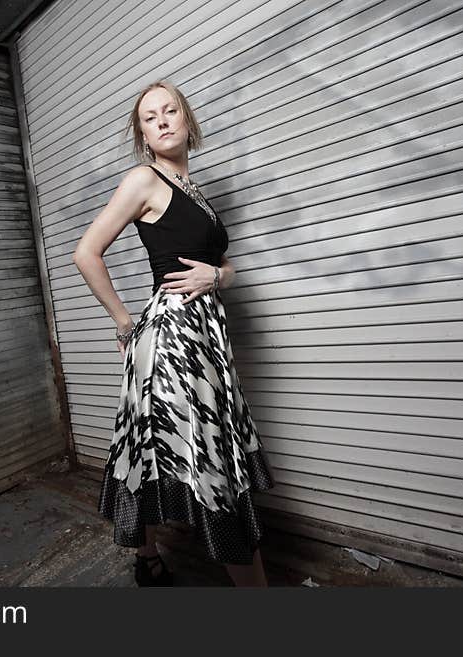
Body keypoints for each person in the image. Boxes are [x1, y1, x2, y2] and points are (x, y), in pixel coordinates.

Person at [72, 80, 275, 587]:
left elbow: (223, 266)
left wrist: (217, 276)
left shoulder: (196, 192)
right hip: (173, 337)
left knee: (148, 446)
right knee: (210, 462)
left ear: (188, 121)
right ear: (142, 134)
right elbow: (86, 252)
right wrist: (124, 319)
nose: (162, 121)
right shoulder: (143, 180)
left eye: (170, 111)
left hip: (206, 335)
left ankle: (147, 560)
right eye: (149, 117)